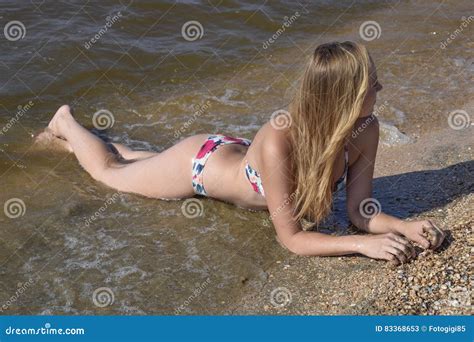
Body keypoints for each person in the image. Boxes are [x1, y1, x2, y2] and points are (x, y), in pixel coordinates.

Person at [36, 41, 445, 265]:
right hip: (197, 166)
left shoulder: (365, 129)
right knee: (110, 173)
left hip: (235, 154)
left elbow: (360, 211)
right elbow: (293, 239)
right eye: (372, 85)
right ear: (344, 96)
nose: (380, 90)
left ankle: (81, 138)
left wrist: (403, 227)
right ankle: (66, 124)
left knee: (135, 160)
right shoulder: (281, 138)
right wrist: (362, 246)